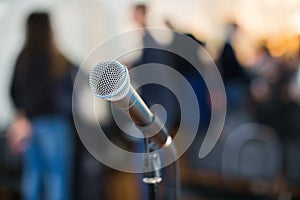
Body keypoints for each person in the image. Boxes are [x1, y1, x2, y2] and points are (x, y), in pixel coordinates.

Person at [7, 12, 76, 200]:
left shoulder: (22, 58)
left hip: (29, 127)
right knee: (57, 179)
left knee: (33, 177)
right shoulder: (55, 58)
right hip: (53, 125)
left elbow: (12, 91)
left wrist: (23, 115)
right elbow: (79, 78)